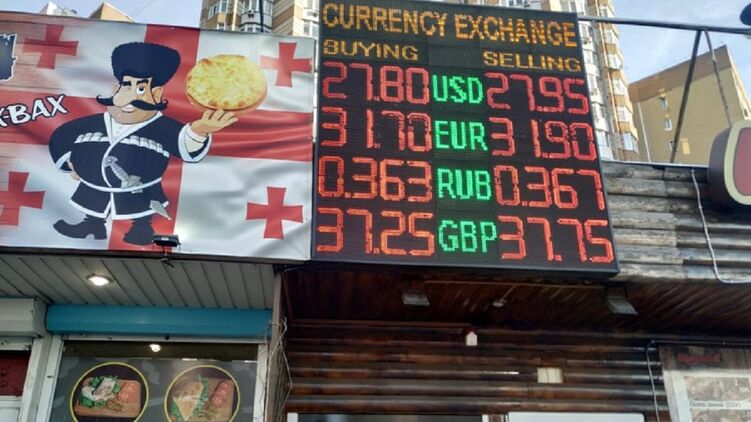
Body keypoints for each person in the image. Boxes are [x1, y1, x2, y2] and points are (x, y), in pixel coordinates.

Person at [49, 42, 237, 245]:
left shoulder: (160, 126)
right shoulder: (92, 122)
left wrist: (199, 131)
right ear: (116, 89)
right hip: (93, 184)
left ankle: (142, 227)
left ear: (156, 95)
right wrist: (70, 164)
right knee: (93, 200)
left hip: (141, 186)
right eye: (126, 86)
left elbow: (183, 142)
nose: (131, 96)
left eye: (140, 88)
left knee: (141, 207)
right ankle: (92, 224)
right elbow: (62, 137)